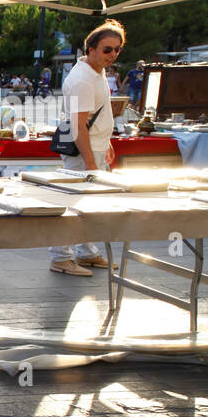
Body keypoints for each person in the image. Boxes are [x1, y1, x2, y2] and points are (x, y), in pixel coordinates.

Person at [49, 20, 125, 277]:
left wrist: (107, 144)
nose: (113, 55)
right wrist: (92, 161)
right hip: (84, 152)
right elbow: (79, 125)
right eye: (108, 49)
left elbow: (94, 116)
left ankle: (85, 251)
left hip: (93, 148)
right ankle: (61, 257)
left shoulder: (95, 72)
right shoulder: (83, 79)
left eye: (117, 49)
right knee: (73, 205)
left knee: (87, 205)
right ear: (91, 49)